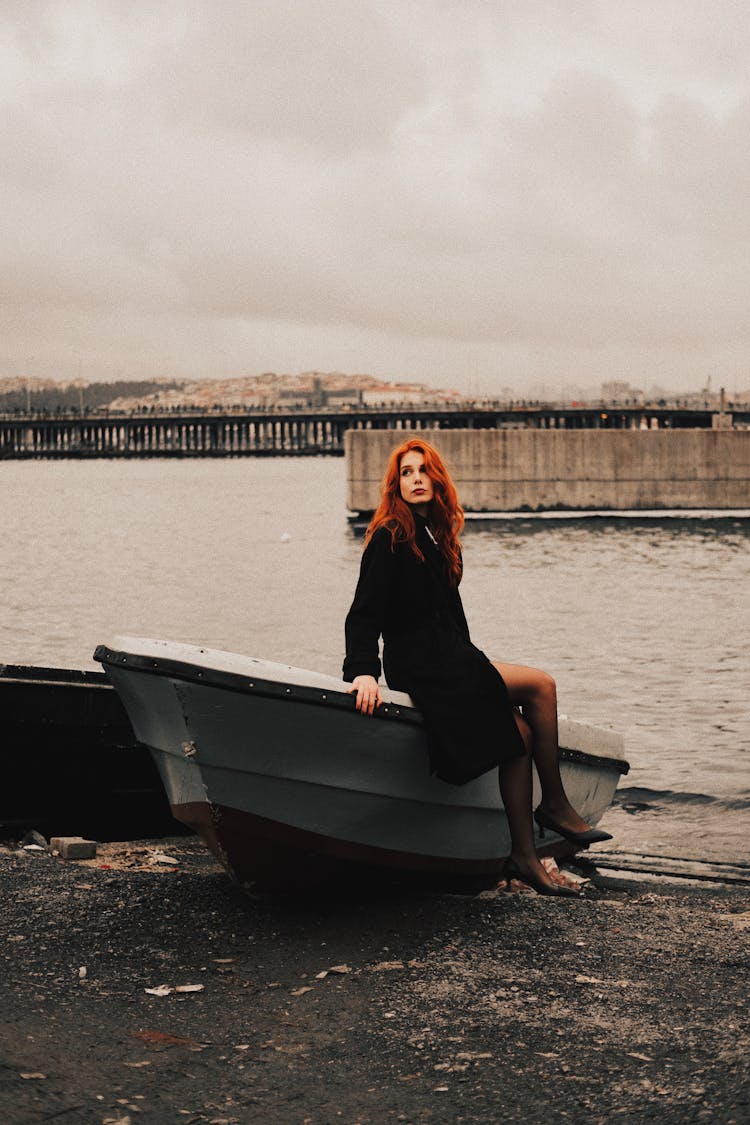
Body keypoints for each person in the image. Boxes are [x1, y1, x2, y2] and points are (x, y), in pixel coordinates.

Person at [343, 437, 611, 897]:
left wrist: (474, 662)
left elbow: (453, 619)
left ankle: (524, 856)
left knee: (522, 736)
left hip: (452, 658)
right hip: (420, 663)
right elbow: (363, 611)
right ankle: (555, 804)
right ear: (396, 486)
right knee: (541, 686)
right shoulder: (390, 536)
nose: (416, 480)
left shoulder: (442, 538)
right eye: (406, 473)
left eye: (423, 471)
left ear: (437, 479)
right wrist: (362, 671)